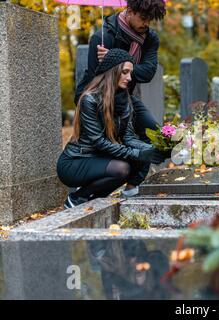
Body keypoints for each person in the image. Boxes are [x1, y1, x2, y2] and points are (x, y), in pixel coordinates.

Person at [75, 0, 166, 197]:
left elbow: (148, 73)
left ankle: (132, 187)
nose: (146, 24)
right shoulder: (102, 37)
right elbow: (94, 80)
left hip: (125, 97)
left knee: (155, 133)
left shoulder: (150, 38)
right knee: (104, 142)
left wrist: (117, 58)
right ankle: (85, 189)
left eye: (150, 19)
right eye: (143, 18)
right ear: (130, 11)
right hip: (96, 97)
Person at [57, 49, 170, 209]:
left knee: (138, 160)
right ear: (112, 71)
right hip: (76, 162)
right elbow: (98, 142)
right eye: (125, 72)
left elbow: (128, 138)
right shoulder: (89, 100)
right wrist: (139, 153)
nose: (129, 78)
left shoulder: (125, 100)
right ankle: (77, 198)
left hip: (100, 159)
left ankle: (93, 201)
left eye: (130, 73)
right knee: (122, 168)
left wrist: (153, 150)